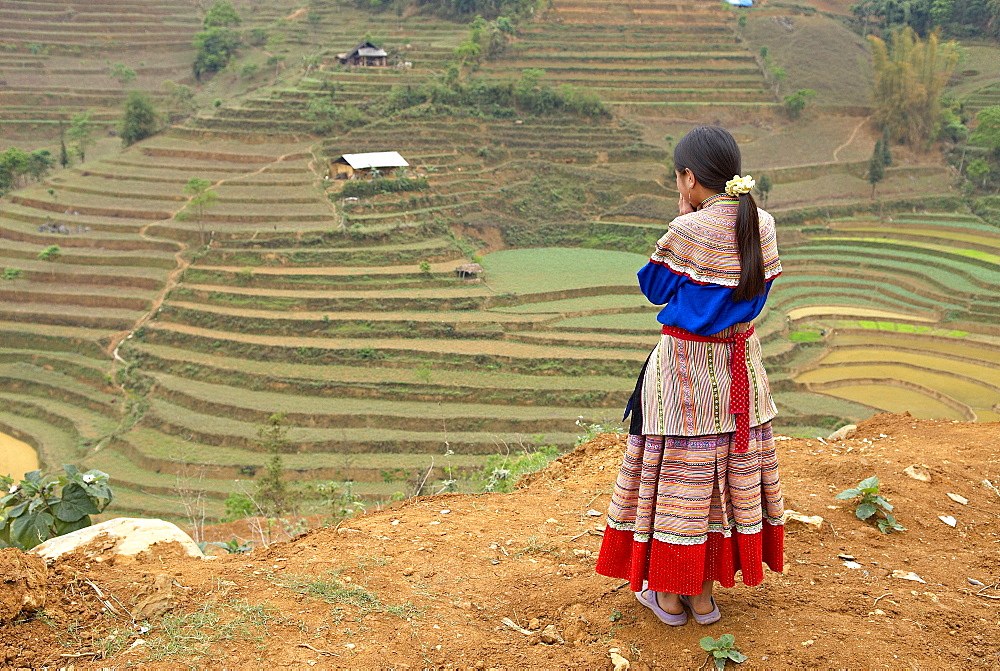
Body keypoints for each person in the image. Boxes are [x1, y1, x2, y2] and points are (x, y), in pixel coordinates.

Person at [595, 126, 784, 626]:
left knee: (683, 482)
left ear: (690, 178)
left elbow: (654, 289)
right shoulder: (761, 223)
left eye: (678, 180)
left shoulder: (689, 231)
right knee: (721, 481)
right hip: (740, 367)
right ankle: (704, 599)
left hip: (685, 374)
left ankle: (673, 595)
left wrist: (683, 222)